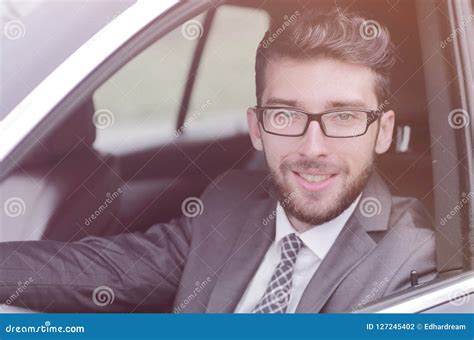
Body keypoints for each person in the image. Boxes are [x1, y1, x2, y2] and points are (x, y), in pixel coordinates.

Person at [0, 7, 436, 313]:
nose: (312, 147)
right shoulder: (227, 202)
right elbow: (106, 270)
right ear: (256, 127)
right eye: (286, 114)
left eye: (343, 116)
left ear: (382, 130)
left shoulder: (411, 259)